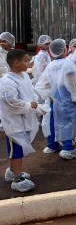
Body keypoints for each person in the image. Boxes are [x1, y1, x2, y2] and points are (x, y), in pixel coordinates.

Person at [0, 49, 49, 192]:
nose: (28, 63)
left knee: (18, 149)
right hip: (14, 123)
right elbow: (10, 102)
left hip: (24, 120)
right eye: (26, 61)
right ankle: (17, 178)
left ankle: (13, 171)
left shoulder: (23, 77)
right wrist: (29, 106)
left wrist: (39, 107)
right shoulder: (6, 82)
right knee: (16, 150)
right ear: (16, 62)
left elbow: (30, 94)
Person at [35, 39, 76, 160]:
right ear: (65, 50)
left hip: (54, 97)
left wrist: (48, 95)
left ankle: (52, 144)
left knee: (52, 120)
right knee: (68, 121)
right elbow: (73, 82)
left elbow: (42, 84)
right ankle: (68, 148)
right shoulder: (68, 64)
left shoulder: (51, 65)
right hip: (66, 96)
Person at [0, 31, 15, 132]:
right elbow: (2, 68)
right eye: (0, 41)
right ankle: (2, 121)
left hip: (10, 81)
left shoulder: (12, 53)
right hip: (2, 81)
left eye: (4, 41)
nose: (1, 43)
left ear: (10, 42)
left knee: (8, 100)